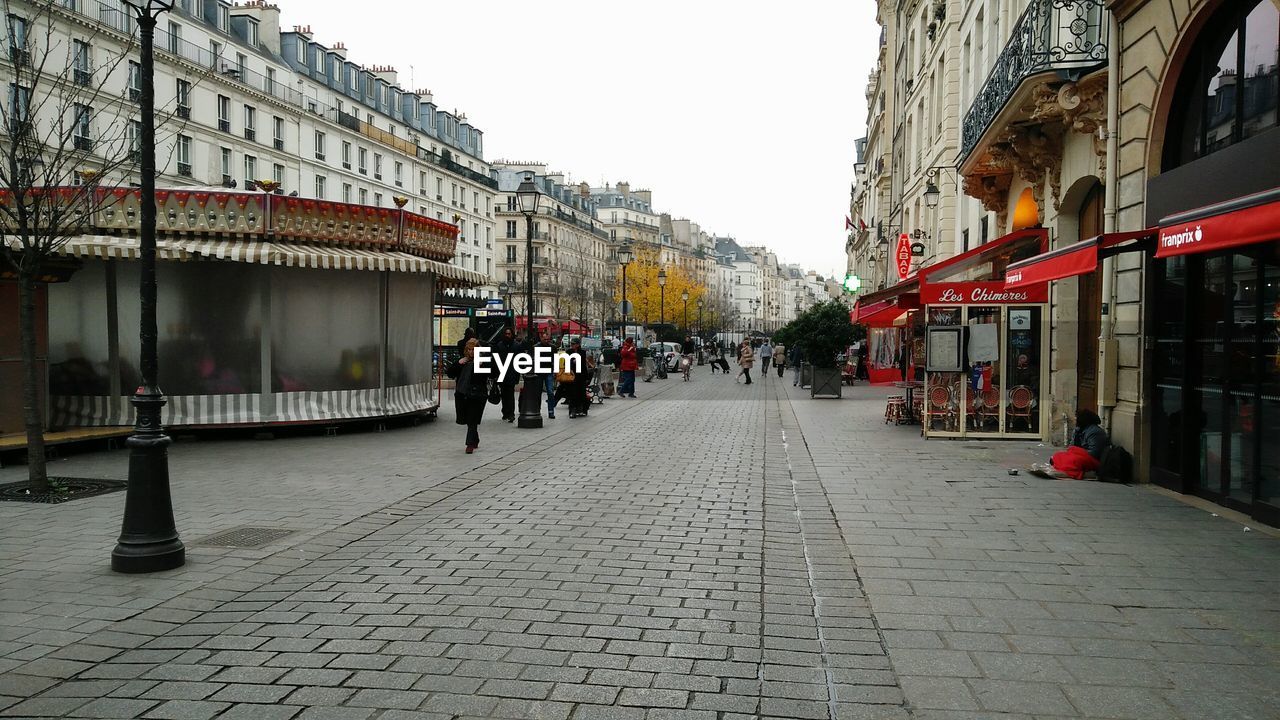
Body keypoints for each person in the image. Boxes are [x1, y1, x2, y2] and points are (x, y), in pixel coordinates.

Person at [1031, 409, 1110, 479]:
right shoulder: (1078, 429)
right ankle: (1064, 466)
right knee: (1057, 456)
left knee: (1073, 460)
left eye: (1077, 418)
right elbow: (1072, 446)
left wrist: (1077, 452)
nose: (1075, 420)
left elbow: (1094, 452)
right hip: (1080, 454)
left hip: (1091, 459)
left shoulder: (1095, 432)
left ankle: (1079, 471)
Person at [446, 339, 490, 454]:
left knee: (472, 418)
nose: (471, 352)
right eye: (469, 350)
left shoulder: (483, 361)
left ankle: (469, 444)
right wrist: (459, 363)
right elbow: (449, 373)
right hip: (463, 394)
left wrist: (481, 365)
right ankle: (475, 439)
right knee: (467, 419)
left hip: (478, 394)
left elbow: (494, 373)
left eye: (473, 350)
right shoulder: (463, 362)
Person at [493, 327, 519, 422]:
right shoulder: (499, 345)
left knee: (510, 394)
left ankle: (511, 413)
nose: (507, 335)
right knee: (504, 394)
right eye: (506, 334)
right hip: (502, 373)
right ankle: (505, 412)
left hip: (512, 373)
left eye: (509, 334)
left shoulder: (516, 345)